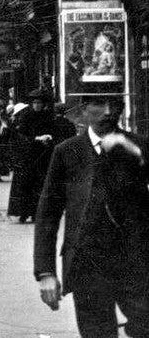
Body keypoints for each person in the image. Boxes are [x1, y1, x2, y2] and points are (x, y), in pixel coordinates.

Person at [34, 95, 149, 338]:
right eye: (100, 104)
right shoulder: (67, 151)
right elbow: (48, 214)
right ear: (85, 109)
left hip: (135, 262)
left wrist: (138, 156)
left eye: (114, 104)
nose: (108, 112)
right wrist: (45, 272)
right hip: (87, 264)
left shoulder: (139, 146)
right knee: (97, 333)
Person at [9, 89, 59, 223]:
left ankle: (37, 213)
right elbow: (20, 136)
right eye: (35, 103)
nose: (37, 105)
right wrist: (36, 138)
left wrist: (49, 137)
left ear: (43, 104)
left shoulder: (48, 116)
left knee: (40, 185)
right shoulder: (26, 117)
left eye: (39, 103)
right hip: (28, 157)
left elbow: (55, 132)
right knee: (26, 185)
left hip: (43, 156)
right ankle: (23, 213)